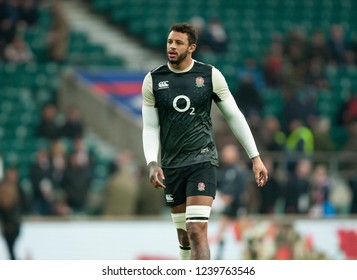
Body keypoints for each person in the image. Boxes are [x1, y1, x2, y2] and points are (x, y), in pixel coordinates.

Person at [141, 23, 268, 260]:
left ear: (191, 47)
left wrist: (255, 157)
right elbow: (150, 126)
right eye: (170, 41)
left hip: (202, 160)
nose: (172, 46)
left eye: (178, 43)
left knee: (196, 229)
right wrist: (151, 162)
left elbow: (234, 115)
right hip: (171, 164)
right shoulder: (153, 80)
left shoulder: (210, 76)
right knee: (183, 237)